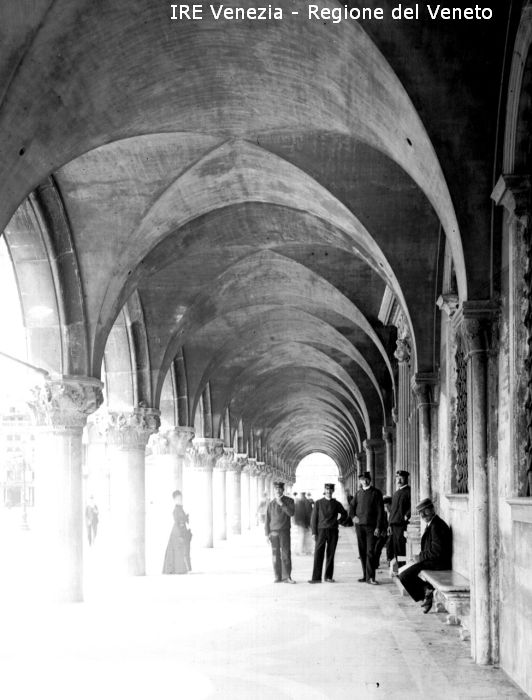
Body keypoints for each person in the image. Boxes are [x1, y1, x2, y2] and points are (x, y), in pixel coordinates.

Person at [398, 498, 452, 613]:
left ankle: (427, 593)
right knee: (404, 573)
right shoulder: (432, 524)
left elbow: (437, 551)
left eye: (425, 511)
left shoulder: (436, 526)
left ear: (432, 509)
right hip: (432, 561)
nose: (422, 515)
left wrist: (420, 557)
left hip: (438, 563)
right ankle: (427, 592)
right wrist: (419, 557)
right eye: (420, 512)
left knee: (404, 576)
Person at [349, 471, 385, 585]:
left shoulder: (376, 493)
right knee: (362, 551)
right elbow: (352, 506)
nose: (364, 481)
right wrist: (353, 517)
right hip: (359, 527)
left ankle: (371, 577)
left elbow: (380, 511)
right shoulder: (358, 493)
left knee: (370, 551)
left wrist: (378, 527)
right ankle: (365, 576)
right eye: (362, 480)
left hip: (371, 527)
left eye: (366, 479)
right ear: (360, 481)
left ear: (370, 480)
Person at [308, 483, 347, 583]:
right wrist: (313, 532)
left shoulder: (336, 503)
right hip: (321, 531)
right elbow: (313, 519)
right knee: (318, 553)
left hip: (333, 531)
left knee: (331, 554)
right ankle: (316, 578)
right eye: (327, 489)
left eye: (330, 490)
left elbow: (344, 514)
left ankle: (328, 577)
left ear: (333, 491)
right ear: (324, 490)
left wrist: (338, 521)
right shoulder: (318, 503)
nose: (328, 491)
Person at [265, 482, 296, 583]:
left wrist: (282, 504)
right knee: (275, 555)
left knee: (286, 554)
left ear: (283, 490)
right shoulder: (270, 504)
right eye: (276, 489)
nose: (278, 491)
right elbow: (267, 520)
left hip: (284, 531)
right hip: (273, 533)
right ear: (274, 490)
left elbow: (291, 513)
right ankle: (277, 576)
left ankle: (287, 577)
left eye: (280, 489)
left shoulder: (289, 501)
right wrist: (266, 534)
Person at [163, 490, 192, 575]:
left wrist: (185, 518)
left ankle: (181, 568)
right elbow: (177, 520)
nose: (180, 500)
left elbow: (182, 519)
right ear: (174, 500)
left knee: (181, 549)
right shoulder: (176, 510)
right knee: (178, 548)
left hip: (180, 529)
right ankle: (178, 569)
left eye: (180, 498)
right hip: (178, 530)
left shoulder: (180, 508)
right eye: (178, 498)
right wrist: (182, 530)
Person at [388, 470, 411, 564]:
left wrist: (407, 515)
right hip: (394, 525)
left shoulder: (409, 491)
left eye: (401, 478)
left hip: (402, 525)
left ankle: (402, 568)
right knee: (395, 549)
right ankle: (397, 569)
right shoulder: (396, 493)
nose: (399, 480)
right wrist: (389, 525)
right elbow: (392, 511)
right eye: (397, 478)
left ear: (406, 479)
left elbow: (413, 506)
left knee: (401, 549)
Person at [374, 495, 392, 569]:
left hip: (392, 534)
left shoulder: (394, 513)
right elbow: (380, 523)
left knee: (389, 544)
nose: (386, 508)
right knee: (377, 545)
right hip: (384, 533)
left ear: (391, 505)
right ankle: (375, 563)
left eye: (387, 506)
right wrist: (382, 532)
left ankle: (389, 560)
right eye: (384, 506)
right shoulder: (383, 513)